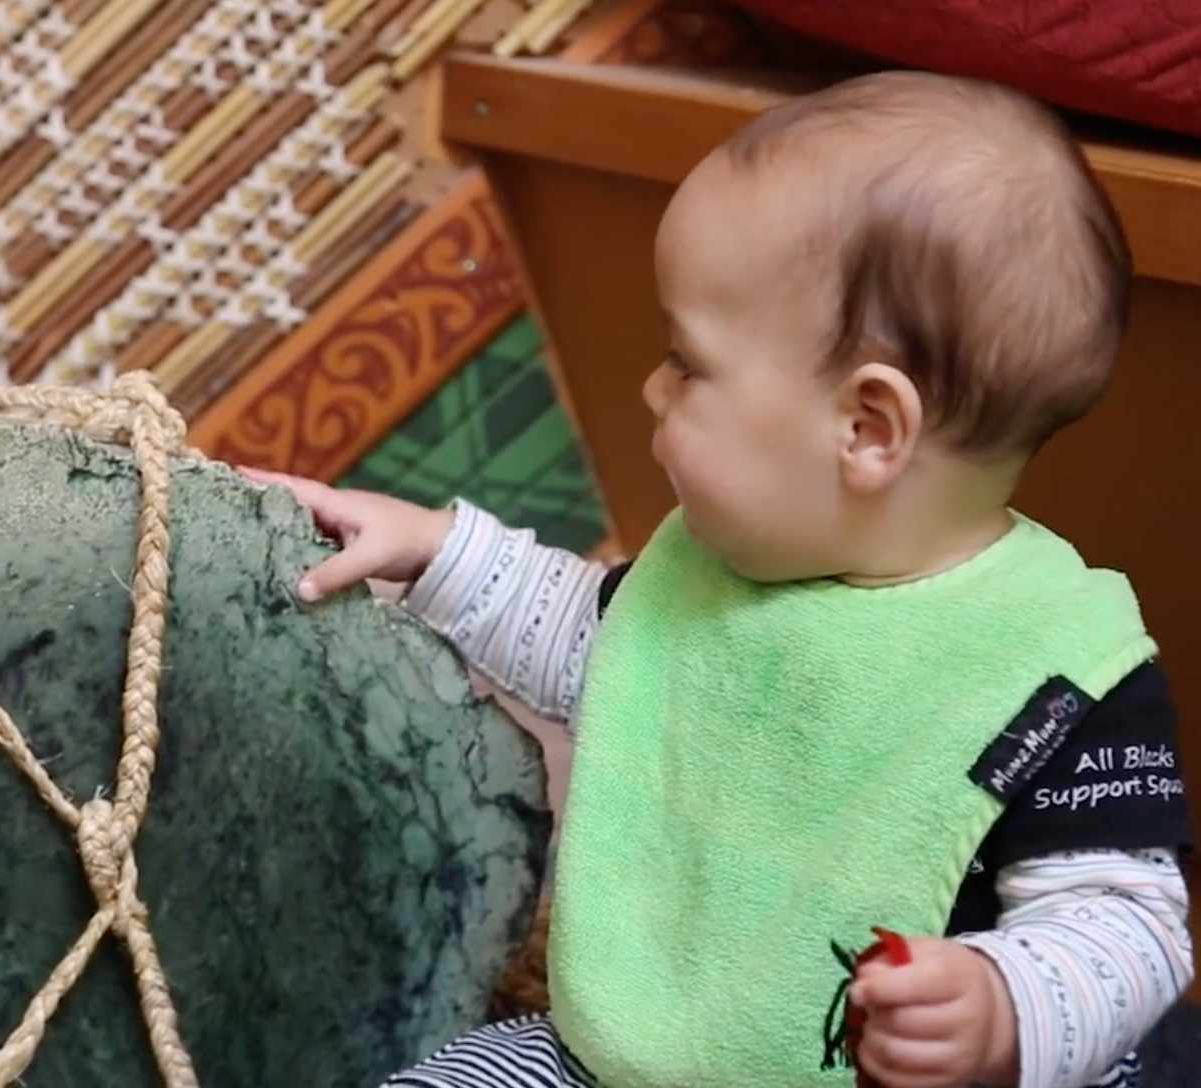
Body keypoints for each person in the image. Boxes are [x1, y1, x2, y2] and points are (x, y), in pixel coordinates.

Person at [241, 69, 1195, 1088]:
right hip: (633, 1056)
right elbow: (584, 633)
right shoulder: (716, 573)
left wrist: (1002, 1003)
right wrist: (429, 545)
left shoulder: (1054, 676)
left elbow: (1133, 928)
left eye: (687, 362)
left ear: (867, 429)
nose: (652, 388)